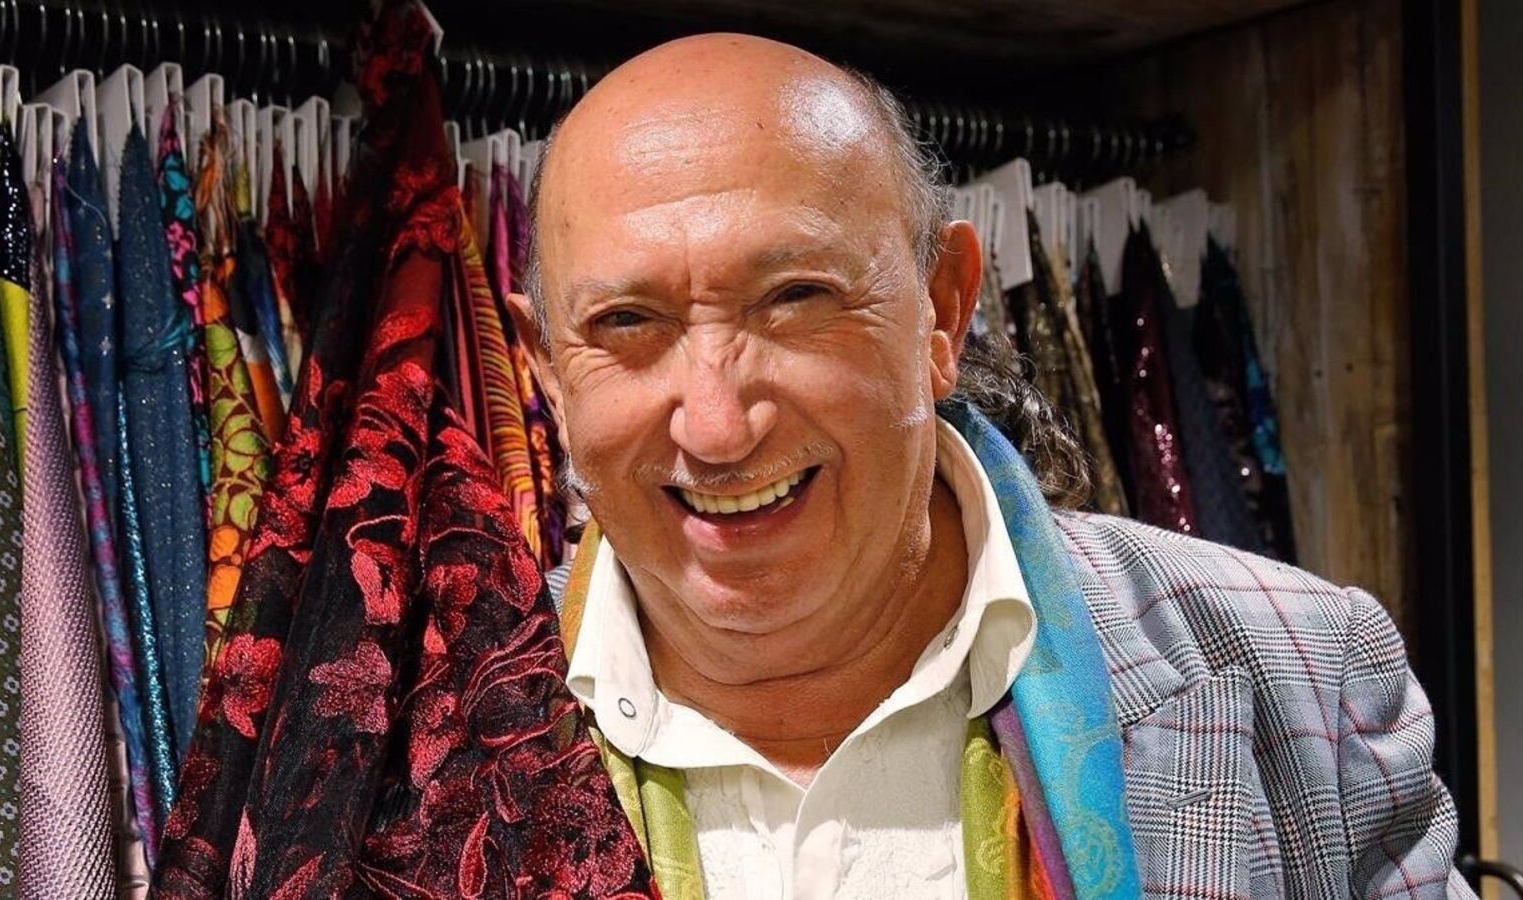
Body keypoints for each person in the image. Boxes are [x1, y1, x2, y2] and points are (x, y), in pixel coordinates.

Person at [506, 32, 1473, 899]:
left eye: (796, 298)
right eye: (626, 322)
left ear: (944, 309)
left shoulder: (1302, 674)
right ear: (546, 370)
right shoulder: (444, 726)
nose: (719, 428)